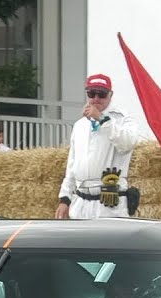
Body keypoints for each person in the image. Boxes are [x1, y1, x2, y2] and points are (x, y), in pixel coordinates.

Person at [55, 73, 140, 220]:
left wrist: (102, 119)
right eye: (91, 93)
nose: (96, 99)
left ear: (110, 95)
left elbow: (128, 143)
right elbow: (72, 165)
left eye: (101, 94)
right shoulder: (80, 125)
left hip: (110, 203)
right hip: (81, 203)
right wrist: (64, 198)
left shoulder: (122, 119)